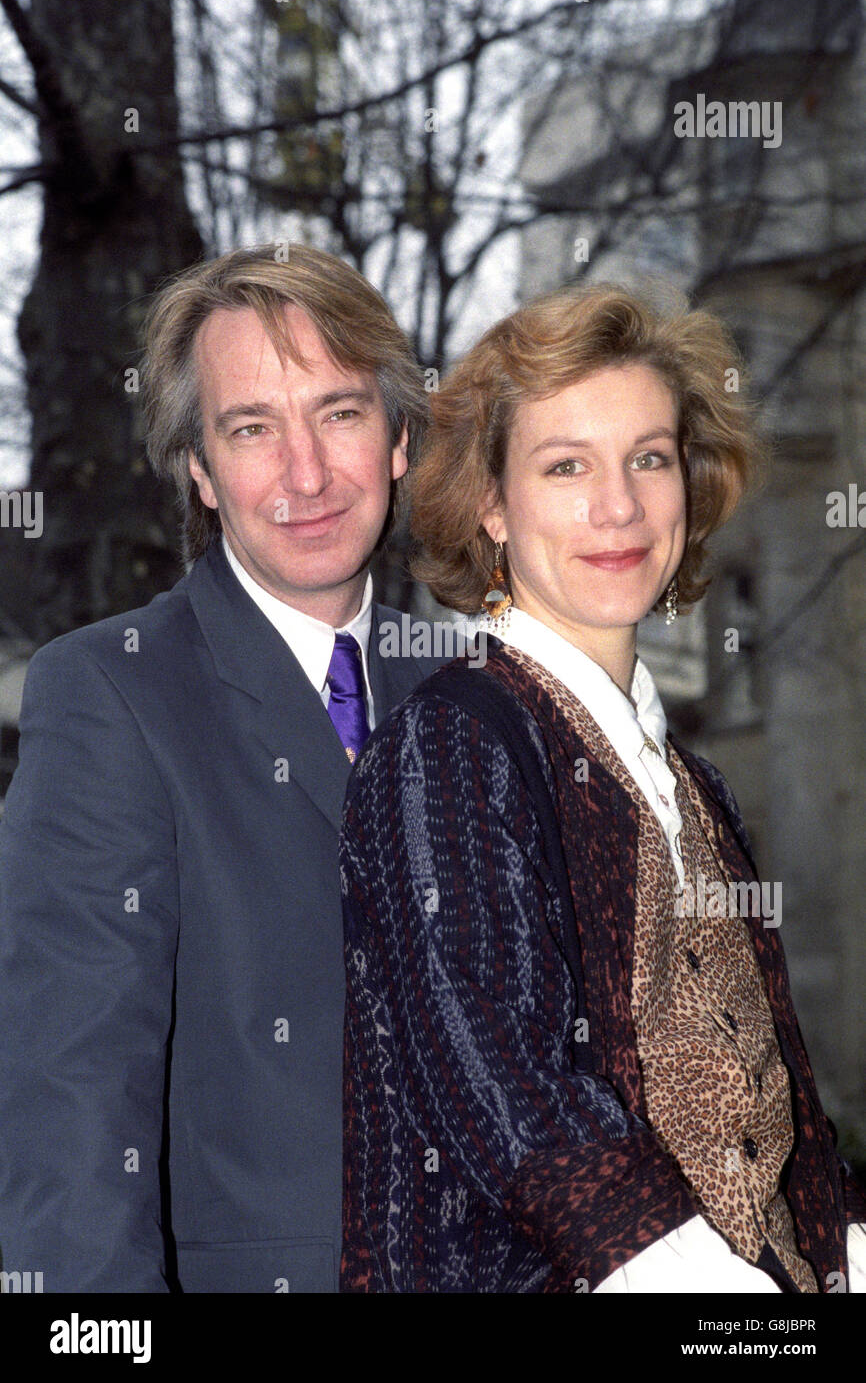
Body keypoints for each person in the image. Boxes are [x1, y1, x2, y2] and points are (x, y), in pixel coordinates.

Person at [339, 282, 866, 1293]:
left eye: (649, 458)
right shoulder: (449, 744)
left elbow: (779, 1108)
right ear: (490, 502)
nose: (617, 505)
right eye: (565, 464)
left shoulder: (688, 780)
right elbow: (508, 1099)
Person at [0, 243, 449, 1292]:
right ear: (200, 470)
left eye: (338, 413)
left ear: (394, 438)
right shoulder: (111, 693)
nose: (304, 474)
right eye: (252, 428)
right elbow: (66, 1095)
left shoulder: (475, 691)